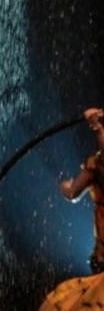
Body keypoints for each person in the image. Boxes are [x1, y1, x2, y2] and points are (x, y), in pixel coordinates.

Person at [60, 107, 104, 273]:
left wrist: (96, 126)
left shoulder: (97, 166)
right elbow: (72, 193)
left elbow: (72, 193)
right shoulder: (96, 166)